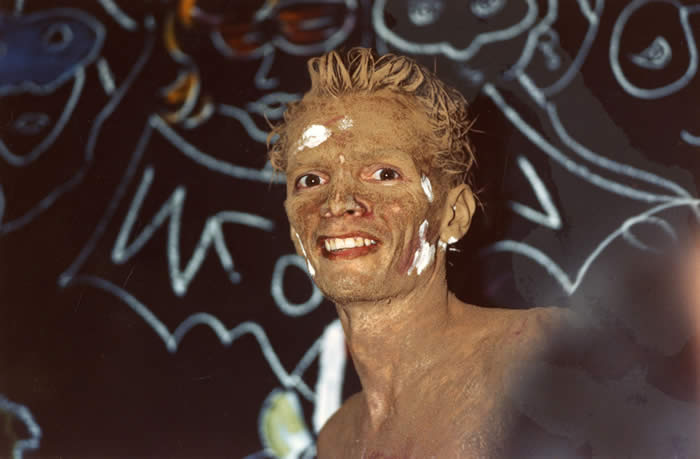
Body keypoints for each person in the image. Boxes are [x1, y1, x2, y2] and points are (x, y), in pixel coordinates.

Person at [267, 48, 697, 457]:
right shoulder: (338, 438)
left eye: (384, 173)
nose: (338, 203)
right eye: (310, 180)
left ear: (452, 215)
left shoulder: (540, 359)